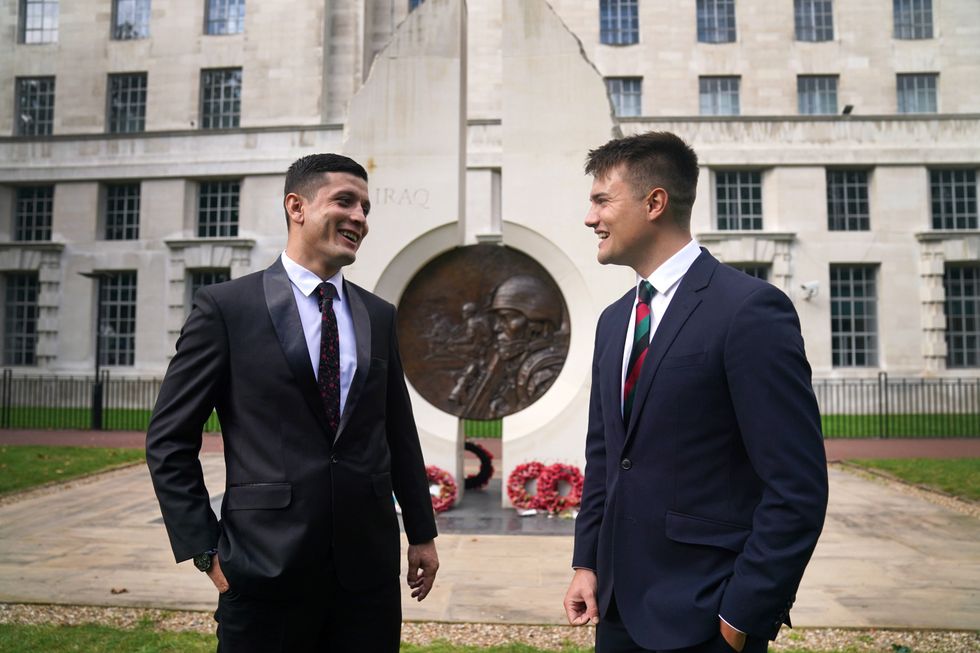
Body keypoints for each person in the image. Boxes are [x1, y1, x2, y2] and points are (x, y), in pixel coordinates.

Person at [146, 153, 439, 653]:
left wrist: (421, 533)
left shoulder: (378, 314)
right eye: (344, 202)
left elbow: (397, 431)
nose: (359, 218)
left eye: (365, 208)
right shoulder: (226, 309)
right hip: (262, 569)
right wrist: (204, 548)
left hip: (367, 576)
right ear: (296, 206)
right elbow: (169, 440)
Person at [563, 132, 828, 653]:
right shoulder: (613, 321)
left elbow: (797, 486)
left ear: (654, 203)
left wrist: (741, 615)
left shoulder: (749, 310)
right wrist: (587, 564)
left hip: (707, 617)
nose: (590, 218)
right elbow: (607, 457)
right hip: (614, 611)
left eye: (601, 201)